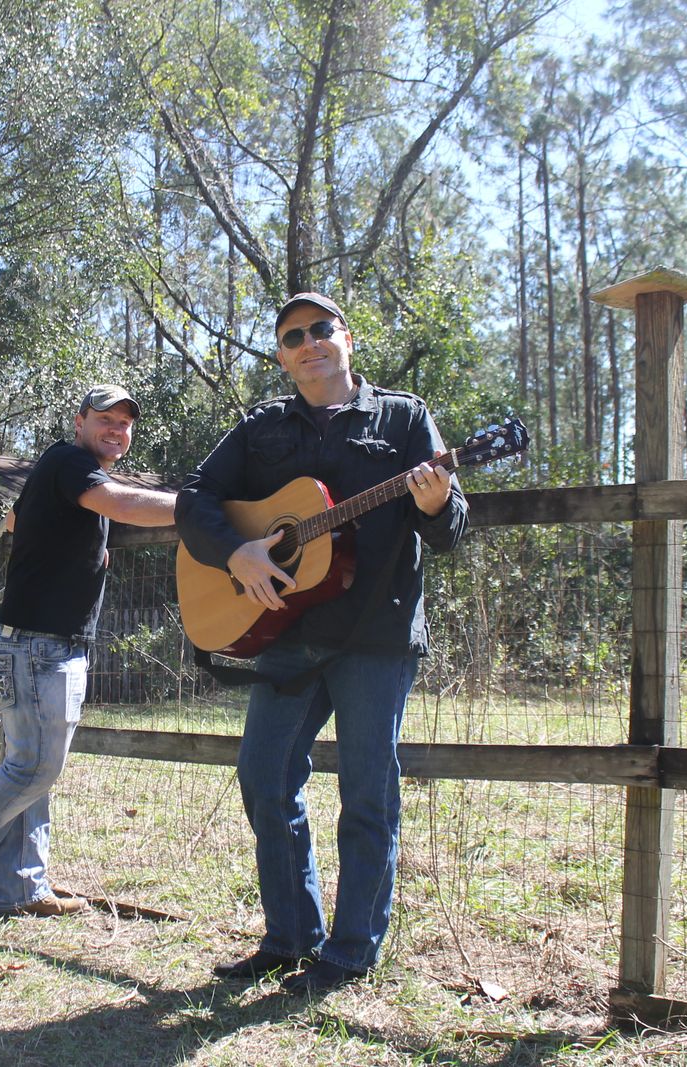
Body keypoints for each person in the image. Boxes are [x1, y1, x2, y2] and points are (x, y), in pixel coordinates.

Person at [175, 293, 469, 994]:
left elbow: (451, 528)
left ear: (347, 338)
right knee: (264, 778)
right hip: (290, 630)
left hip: (375, 633)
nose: (308, 343)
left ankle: (351, 951)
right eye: (292, 337)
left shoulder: (403, 418)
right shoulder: (262, 427)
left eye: (320, 330)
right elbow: (195, 498)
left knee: (368, 794)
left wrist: (435, 503)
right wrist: (238, 552)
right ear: (282, 356)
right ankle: (290, 938)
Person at [0, 385, 177, 921]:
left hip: (42, 645)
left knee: (28, 766)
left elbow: (16, 520)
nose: (116, 430)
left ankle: (21, 888)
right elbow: (122, 503)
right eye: (105, 419)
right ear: (79, 422)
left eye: (125, 423)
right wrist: (199, 507)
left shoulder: (61, 474)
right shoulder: (71, 463)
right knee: (34, 767)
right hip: (39, 646)